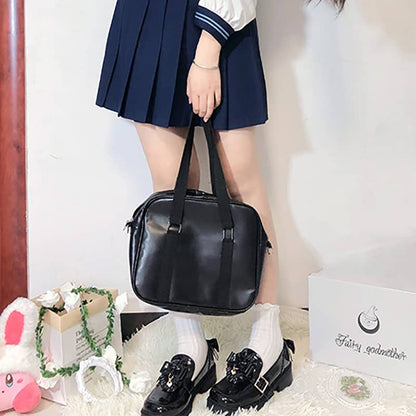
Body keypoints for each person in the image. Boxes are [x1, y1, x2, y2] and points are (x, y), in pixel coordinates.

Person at [95, 0, 346, 414]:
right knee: (170, 194)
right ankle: (191, 349)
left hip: (217, 22)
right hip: (148, 18)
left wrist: (209, 50)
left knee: (239, 184)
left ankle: (268, 344)